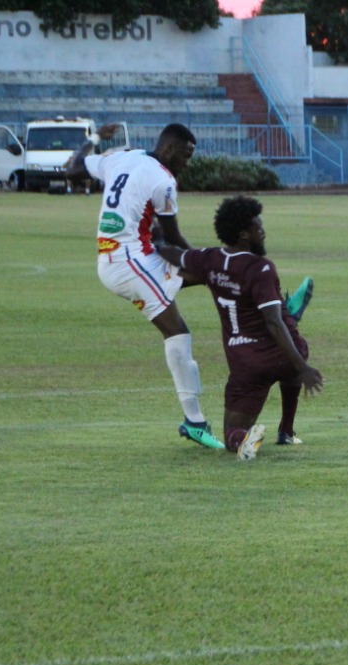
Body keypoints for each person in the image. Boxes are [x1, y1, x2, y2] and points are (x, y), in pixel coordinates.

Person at [65, 122, 226, 450]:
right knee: (178, 330)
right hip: (129, 263)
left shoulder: (122, 157)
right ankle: (194, 422)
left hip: (128, 258)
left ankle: (270, 304)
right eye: (186, 155)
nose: (187, 162)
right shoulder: (163, 181)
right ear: (169, 150)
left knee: (214, 276)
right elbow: (174, 237)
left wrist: (94, 139)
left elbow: (74, 168)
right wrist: (202, 259)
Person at [155, 196, 325, 458]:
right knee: (290, 347)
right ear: (244, 234)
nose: (263, 232)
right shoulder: (260, 268)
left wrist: (155, 240)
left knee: (231, 432)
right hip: (279, 352)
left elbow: (176, 255)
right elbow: (271, 321)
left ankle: (243, 442)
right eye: (258, 228)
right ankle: (286, 432)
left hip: (246, 363)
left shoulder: (209, 259)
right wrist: (303, 368)